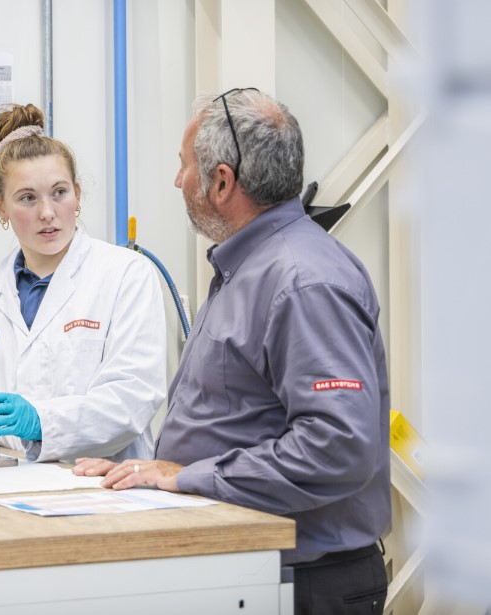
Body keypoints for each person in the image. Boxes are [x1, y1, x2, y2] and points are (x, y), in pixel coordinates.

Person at [73, 89, 390, 614]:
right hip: (252, 569)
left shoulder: (302, 281)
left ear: (222, 182)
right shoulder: (249, 267)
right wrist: (161, 472)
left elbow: (338, 447)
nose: (178, 181)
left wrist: (187, 476)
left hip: (305, 584)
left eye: (183, 166)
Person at [0, 103, 167, 463]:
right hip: (0, 480)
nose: (47, 212)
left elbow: (132, 399)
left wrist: (41, 422)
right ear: (2, 209)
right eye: (28, 198)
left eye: (59, 193)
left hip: (102, 482)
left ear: (77, 195)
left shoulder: (126, 274)